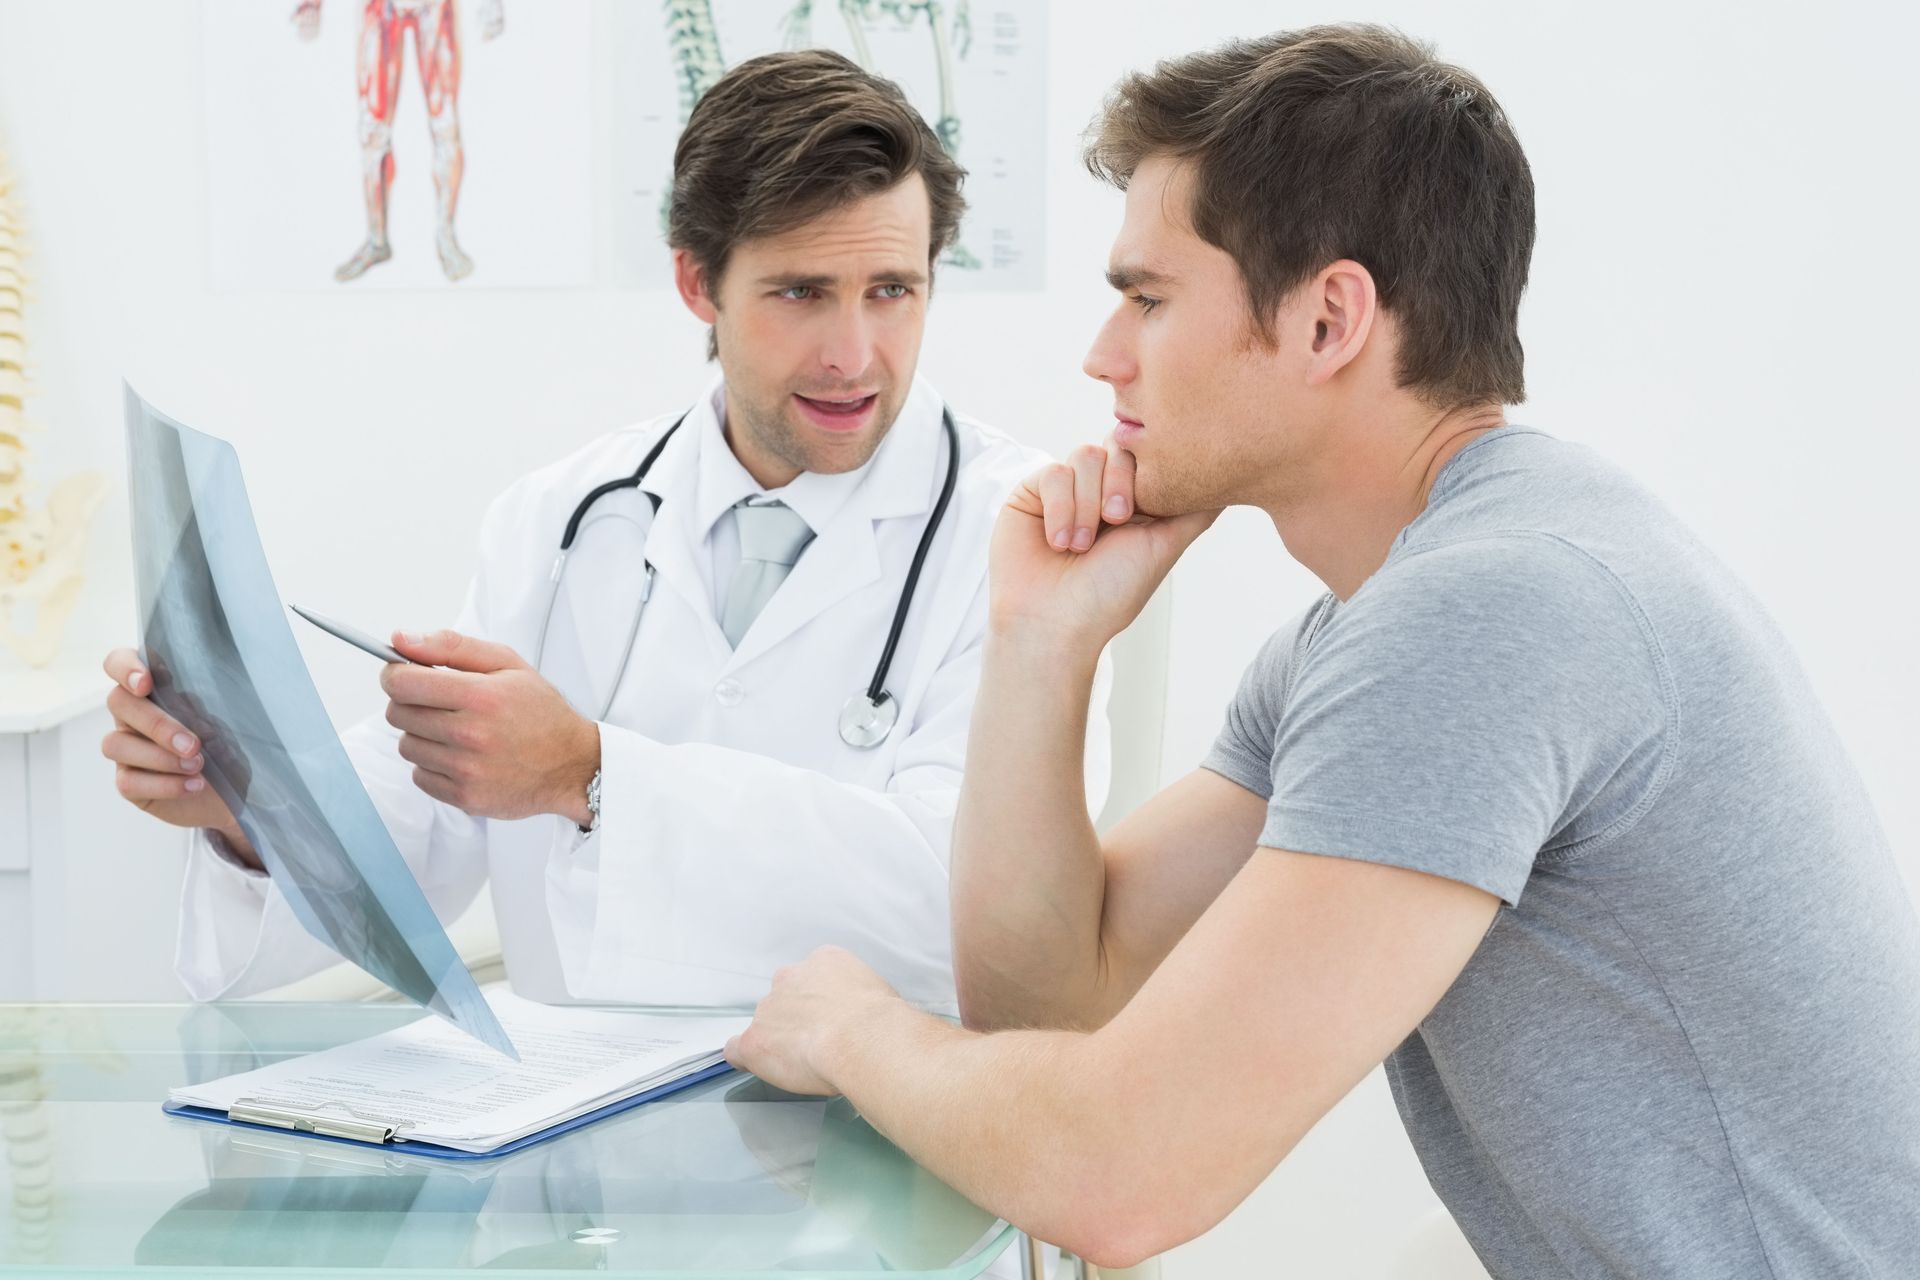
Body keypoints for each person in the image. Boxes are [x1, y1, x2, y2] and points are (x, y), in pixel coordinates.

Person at [723, 25, 1920, 1276]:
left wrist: (852, 1027)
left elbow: (1120, 1176)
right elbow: (1055, 1007)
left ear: (1329, 318)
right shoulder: (1388, 615)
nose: (1103, 354)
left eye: (1148, 297)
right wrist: (1040, 643)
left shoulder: (1488, 616)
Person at [101, 49, 1109, 1012]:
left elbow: (980, 912)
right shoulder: (558, 519)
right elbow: (435, 812)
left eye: (892, 291)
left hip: (878, 1123)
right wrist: (245, 810)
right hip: (570, 1131)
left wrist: (590, 774)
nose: (854, 353)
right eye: (801, 292)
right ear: (696, 284)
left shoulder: (1022, 533)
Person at [292, 0, 506, 283]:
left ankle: (446, 236)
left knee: (444, 122)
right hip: (379, 7)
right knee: (372, 129)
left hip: (434, 6)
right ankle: (377, 238)